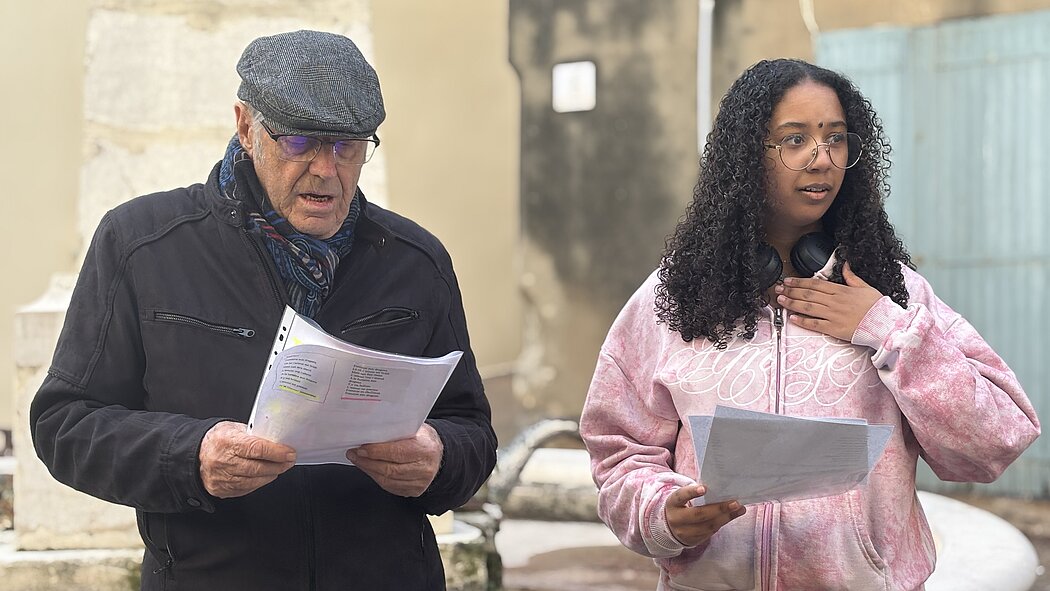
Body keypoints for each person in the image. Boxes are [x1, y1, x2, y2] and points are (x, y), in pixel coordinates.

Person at [30, 30, 497, 590]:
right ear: (246, 127)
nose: (327, 169)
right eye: (300, 142)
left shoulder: (416, 261)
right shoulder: (141, 245)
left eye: (348, 146)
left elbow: (473, 430)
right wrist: (190, 456)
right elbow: (65, 424)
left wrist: (440, 459)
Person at [579, 58, 1039, 591]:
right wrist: (661, 515)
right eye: (794, 140)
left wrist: (888, 331)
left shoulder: (892, 292)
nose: (822, 160)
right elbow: (618, 451)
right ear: (746, 156)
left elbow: (997, 438)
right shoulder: (670, 299)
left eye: (836, 139)